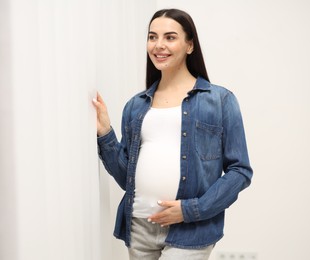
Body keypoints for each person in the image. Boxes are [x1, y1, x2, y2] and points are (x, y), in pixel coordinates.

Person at [92, 8, 252, 260]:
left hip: (191, 230)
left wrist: (191, 210)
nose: (158, 45)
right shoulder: (135, 106)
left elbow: (240, 171)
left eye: (170, 37)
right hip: (139, 225)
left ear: (189, 45)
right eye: (152, 37)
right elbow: (126, 178)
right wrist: (105, 132)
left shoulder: (220, 100)